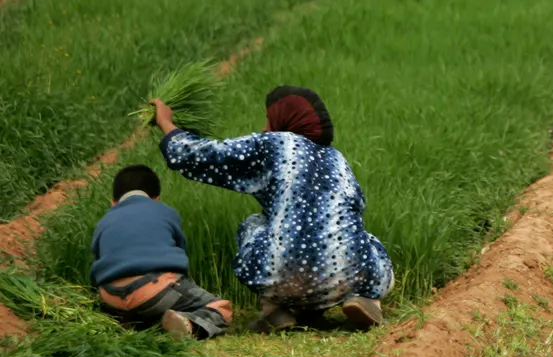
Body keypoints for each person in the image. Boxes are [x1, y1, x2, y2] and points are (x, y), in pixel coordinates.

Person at [151, 85, 393, 333]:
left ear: (285, 119)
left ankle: (275, 309)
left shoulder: (274, 144)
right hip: (348, 275)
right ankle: (365, 299)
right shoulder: (338, 159)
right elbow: (355, 209)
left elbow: (201, 155)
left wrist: (167, 124)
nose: (265, 127)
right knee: (365, 238)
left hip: (279, 275)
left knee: (254, 223)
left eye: (268, 118)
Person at [90, 164, 232, 340]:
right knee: (220, 306)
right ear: (156, 198)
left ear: (114, 203)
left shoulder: (104, 221)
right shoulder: (164, 211)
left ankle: (128, 322)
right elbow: (180, 253)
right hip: (154, 289)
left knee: (142, 309)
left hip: (110, 296)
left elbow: (98, 257)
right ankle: (190, 324)